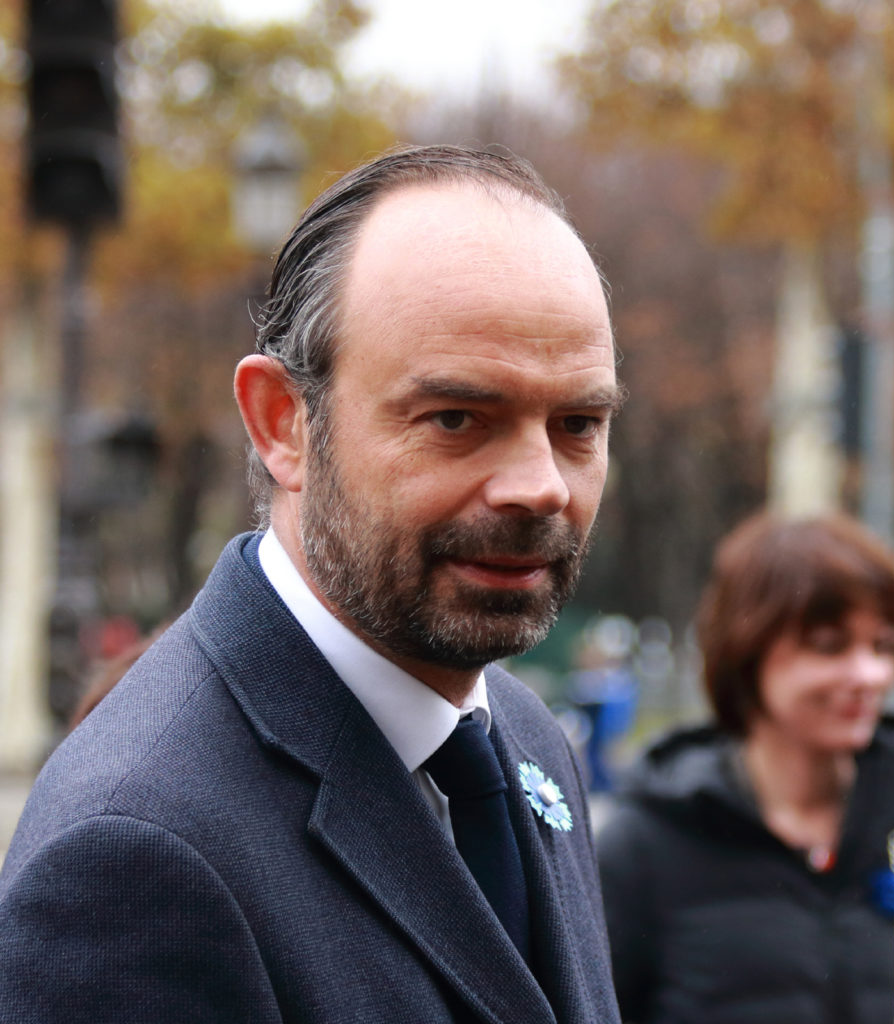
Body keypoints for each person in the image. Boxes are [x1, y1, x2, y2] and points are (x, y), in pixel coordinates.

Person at [0, 145, 624, 1024]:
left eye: (579, 424)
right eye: (456, 418)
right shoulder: (134, 855)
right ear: (281, 423)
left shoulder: (526, 739)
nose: (542, 486)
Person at [598, 512, 894, 1024]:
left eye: (883, 646)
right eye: (829, 645)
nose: (869, 674)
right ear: (746, 649)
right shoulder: (645, 846)